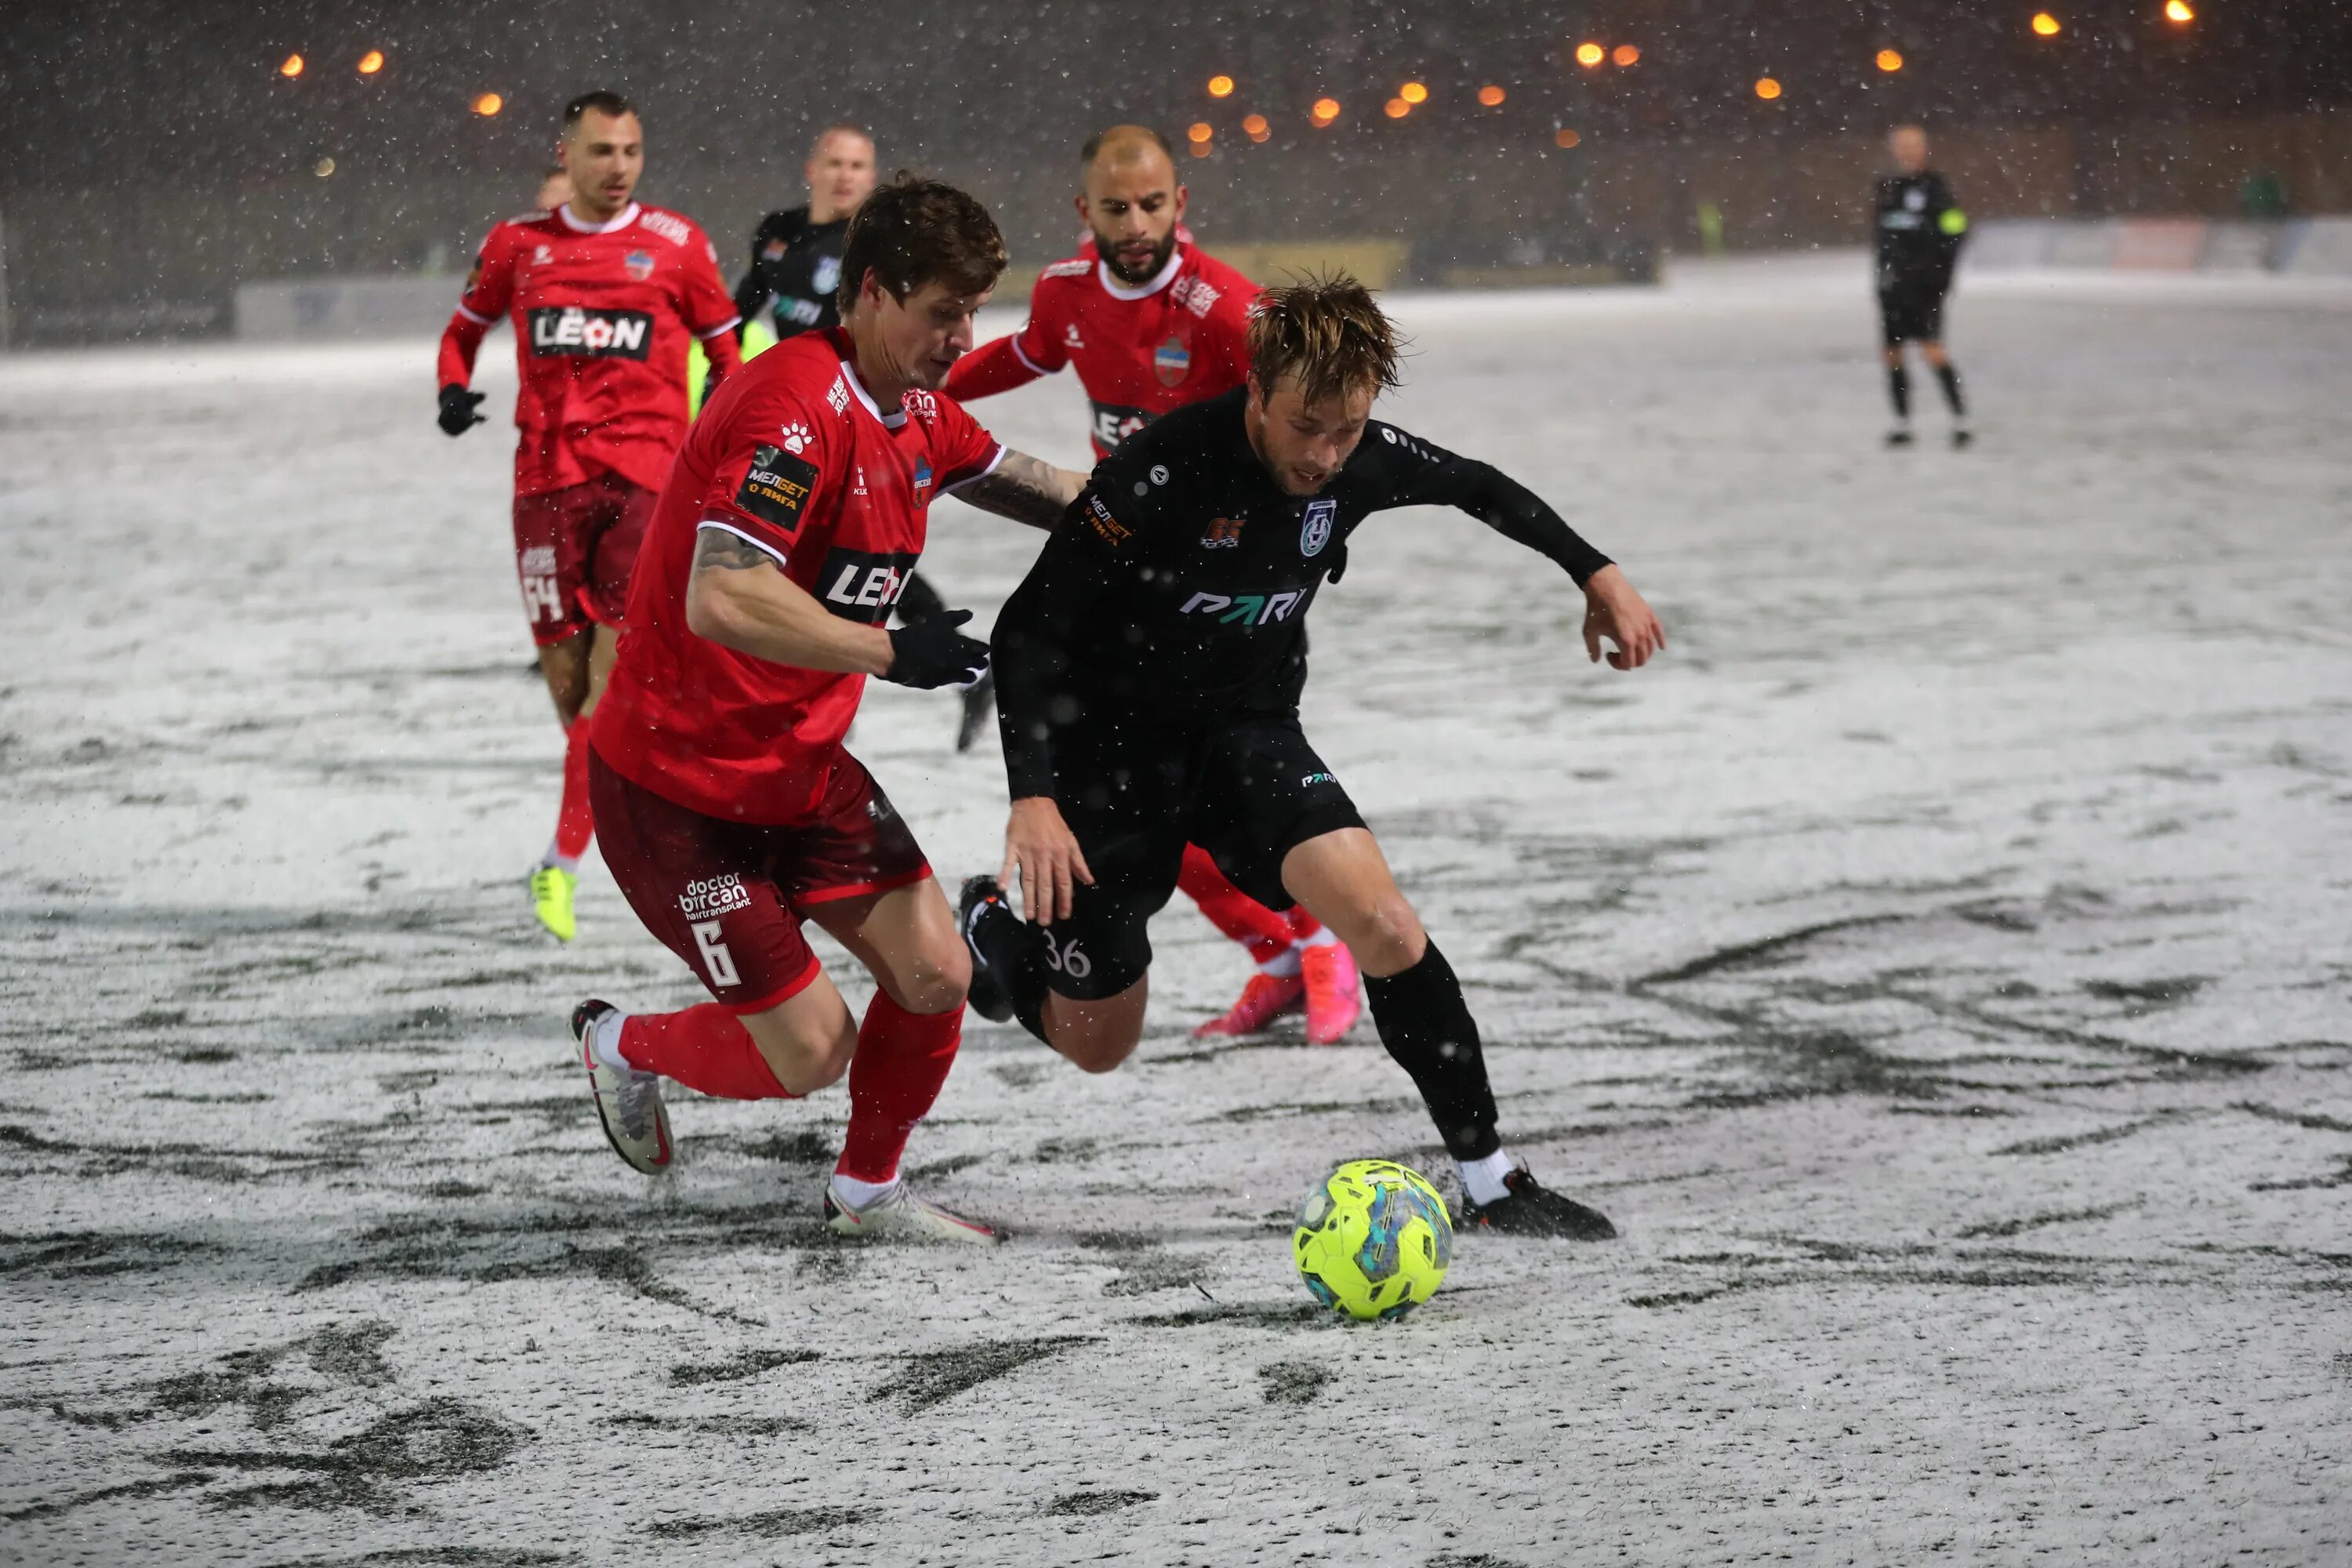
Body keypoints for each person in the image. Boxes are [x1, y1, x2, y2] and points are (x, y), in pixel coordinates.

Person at [961, 275, 1667, 1239]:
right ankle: (994, 932)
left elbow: (1479, 485)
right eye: (1307, 428)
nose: (1328, 455)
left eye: (1348, 429)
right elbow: (1028, 631)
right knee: (1098, 1043)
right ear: (1255, 393)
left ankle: (1494, 1178)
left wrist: (1597, 571)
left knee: (1381, 919)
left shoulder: (1356, 458)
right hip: (1110, 755)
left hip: (1248, 732)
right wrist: (1033, 801)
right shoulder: (1161, 472)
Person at [571, 176, 1090, 1243]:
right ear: (869, 293)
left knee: (938, 972)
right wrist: (890, 651)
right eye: (943, 311)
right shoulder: (791, 408)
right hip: (676, 793)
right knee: (810, 1051)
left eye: (971, 310)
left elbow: (1050, 492)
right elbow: (721, 595)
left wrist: (1210, 504)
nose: (963, 336)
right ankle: (621, 1043)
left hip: (800, 771)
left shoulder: (918, 414)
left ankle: (865, 1195)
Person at [946, 125, 1365, 1047]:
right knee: (1156, 810)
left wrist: (1300, 532)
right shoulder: (1065, 291)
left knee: (1222, 793)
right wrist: (926, 390)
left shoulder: (1229, 313)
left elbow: (1320, 420)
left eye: (1151, 204)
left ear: (1183, 204)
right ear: (1082, 211)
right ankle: (1283, 957)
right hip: (1124, 595)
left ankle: (1319, 942)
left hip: (1222, 604)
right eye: (1114, 207)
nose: (1135, 224)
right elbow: (1026, 355)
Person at [437, 92, 744, 943]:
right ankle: (619, 815)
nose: (619, 168)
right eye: (603, 151)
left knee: (607, 691)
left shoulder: (678, 245)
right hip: (543, 486)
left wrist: (716, 426)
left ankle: (562, 861)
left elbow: (726, 348)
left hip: (647, 486)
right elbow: (460, 332)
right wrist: (453, 391)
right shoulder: (517, 246)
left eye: (633, 151)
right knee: (576, 698)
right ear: (565, 155)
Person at [731, 122, 994, 753]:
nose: (846, 175)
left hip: (861, 421)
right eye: (836, 163)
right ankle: (956, 668)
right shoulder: (780, 232)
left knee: (860, 560)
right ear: (812, 169)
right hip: (797, 420)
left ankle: (829, 708)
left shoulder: (870, 252)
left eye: (859, 165)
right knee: (841, 563)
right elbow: (744, 308)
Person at [1875, 125, 1970, 448]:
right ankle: (1902, 423)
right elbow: (1881, 236)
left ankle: (1960, 421)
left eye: (1913, 144)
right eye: (1902, 144)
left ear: (1924, 147)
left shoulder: (1936, 186)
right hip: (1893, 286)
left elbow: (1956, 227)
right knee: (1892, 353)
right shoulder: (1886, 186)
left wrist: (1943, 270)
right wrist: (1881, 276)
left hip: (1926, 284)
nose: (1907, 150)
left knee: (1933, 350)